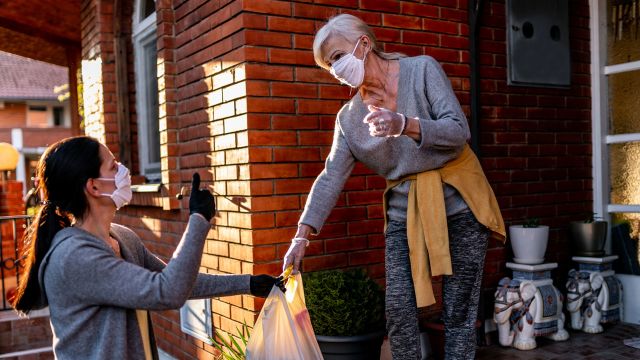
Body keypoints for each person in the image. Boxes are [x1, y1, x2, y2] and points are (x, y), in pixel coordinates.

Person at [282, 14, 505, 360]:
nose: (336, 68)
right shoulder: (349, 119)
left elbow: (459, 132)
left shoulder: (423, 70)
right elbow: (330, 176)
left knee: (459, 311)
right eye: (329, 64)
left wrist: (404, 124)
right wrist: (301, 234)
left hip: (461, 202)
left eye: (339, 56)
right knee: (399, 311)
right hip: (405, 214)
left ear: (365, 44)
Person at [10, 136, 283, 360]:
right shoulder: (75, 256)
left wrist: (248, 283)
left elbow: (180, 281)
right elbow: (168, 292)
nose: (124, 171)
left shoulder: (122, 237)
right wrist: (198, 221)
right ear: (93, 186)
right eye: (113, 166)